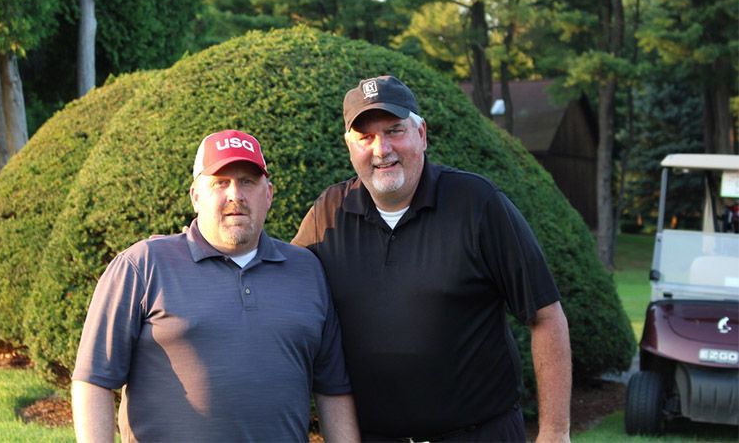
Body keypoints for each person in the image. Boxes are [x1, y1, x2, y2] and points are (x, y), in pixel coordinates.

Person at [293, 76, 572, 442]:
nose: (381, 149)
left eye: (394, 130)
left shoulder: (478, 205)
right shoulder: (328, 214)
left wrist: (554, 431)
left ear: (421, 134)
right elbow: (281, 290)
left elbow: (546, 315)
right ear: (350, 147)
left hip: (479, 434)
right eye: (365, 137)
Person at [71, 129, 360, 442]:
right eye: (220, 182)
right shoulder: (142, 266)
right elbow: (94, 380)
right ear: (196, 196)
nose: (235, 194)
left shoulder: (306, 271)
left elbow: (333, 390)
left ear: (269, 194)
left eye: (248, 181)